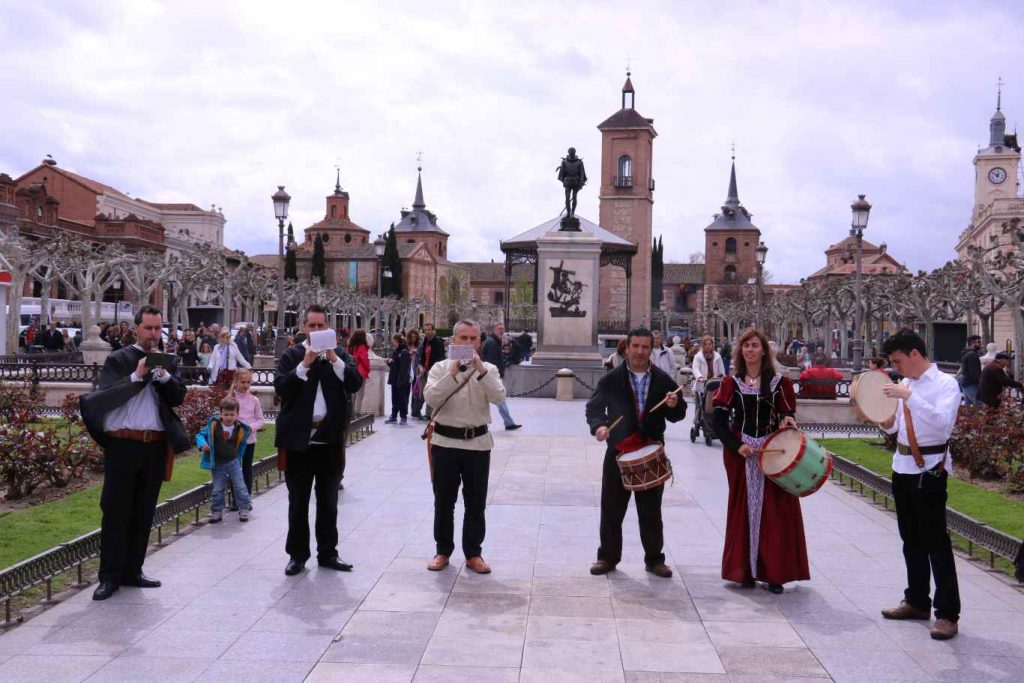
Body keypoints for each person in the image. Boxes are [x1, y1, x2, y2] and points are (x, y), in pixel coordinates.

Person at [78, 305, 190, 600]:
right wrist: (138, 376)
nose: (153, 335)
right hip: (124, 444)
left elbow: (178, 397)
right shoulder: (119, 359)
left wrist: (163, 376)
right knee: (116, 511)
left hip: (153, 444)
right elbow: (105, 396)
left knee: (143, 510)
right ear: (137, 329)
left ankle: (133, 570)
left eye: (157, 329)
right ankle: (109, 576)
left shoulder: (167, 361)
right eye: (148, 329)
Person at [877, 329, 962, 640]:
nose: (896, 368)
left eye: (898, 361)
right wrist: (886, 420)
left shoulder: (945, 384)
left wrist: (910, 397)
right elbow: (900, 426)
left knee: (936, 542)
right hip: (902, 467)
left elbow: (943, 423)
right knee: (910, 538)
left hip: (930, 469)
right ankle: (916, 600)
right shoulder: (906, 384)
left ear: (915, 353)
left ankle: (947, 613)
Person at [712, 327, 807, 594]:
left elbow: (787, 414)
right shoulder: (730, 383)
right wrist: (737, 445)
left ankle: (774, 573)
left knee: (775, 512)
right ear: (740, 351)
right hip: (740, 454)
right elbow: (718, 422)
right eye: (746, 345)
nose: (750, 350)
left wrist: (789, 419)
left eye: (755, 345)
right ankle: (743, 571)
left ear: (764, 350)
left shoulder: (779, 383)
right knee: (743, 509)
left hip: (772, 453)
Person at [585, 327, 685, 578]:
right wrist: (599, 426)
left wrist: (674, 405)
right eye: (635, 346)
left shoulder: (663, 380)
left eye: (644, 347)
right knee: (611, 508)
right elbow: (594, 408)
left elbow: (677, 414)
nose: (640, 351)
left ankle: (654, 560)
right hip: (618, 452)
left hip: (650, 453)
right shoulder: (611, 379)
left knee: (651, 511)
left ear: (650, 349)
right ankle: (607, 557)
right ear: (627, 348)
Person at [275, 304, 363, 576]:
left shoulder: (340, 357)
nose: (316, 330)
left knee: (328, 502)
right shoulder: (292, 355)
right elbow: (281, 388)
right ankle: (297, 555)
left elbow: (355, 383)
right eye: (311, 326)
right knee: (298, 503)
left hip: (330, 441)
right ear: (304, 327)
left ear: (328, 327)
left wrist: (334, 358)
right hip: (299, 441)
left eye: (321, 326)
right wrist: (304, 365)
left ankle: (328, 553)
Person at [423, 319, 507, 574]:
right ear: (454, 341)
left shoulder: (488, 369)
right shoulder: (440, 368)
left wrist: (480, 370)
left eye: (473, 339)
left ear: (479, 341)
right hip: (445, 443)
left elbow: (499, 397)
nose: (469, 343)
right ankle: (442, 551)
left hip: (478, 445)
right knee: (444, 501)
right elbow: (431, 397)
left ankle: (473, 553)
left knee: (475, 502)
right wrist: (453, 373)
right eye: (464, 339)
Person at [196, 396, 254, 523]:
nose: (228, 417)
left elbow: (243, 444)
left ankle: (244, 507)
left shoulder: (240, 428)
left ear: (237, 414)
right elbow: (200, 435)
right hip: (218, 463)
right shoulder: (214, 425)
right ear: (221, 413)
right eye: (226, 414)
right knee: (217, 488)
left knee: (240, 486)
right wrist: (202, 444)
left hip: (233, 462)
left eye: (232, 414)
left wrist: (238, 456)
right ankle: (217, 511)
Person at [229, 369, 265, 505]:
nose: (245, 385)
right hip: (232, 441)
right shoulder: (230, 400)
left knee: (247, 469)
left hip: (249, 441)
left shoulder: (254, 400)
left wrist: (251, 428)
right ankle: (235, 499)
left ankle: (246, 499)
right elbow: (223, 418)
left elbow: (260, 420)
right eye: (242, 382)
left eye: (248, 382)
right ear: (236, 382)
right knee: (234, 470)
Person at [481, 322, 522, 431]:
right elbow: (492, 362)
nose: (502, 331)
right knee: (499, 399)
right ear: (494, 329)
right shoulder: (492, 343)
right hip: (492, 376)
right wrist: (497, 374)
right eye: (499, 329)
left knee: (498, 400)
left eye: (503, 329)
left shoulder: (493, 341)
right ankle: (508, 423)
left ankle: (508, 422)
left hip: (490, 375)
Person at [417, 322, 446, 420]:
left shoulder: (438, 342)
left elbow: (441, 358)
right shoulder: (425, 341)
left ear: (433, 330)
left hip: (433, 371)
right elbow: (422, 356)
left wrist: (433, 369)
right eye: (426, 330)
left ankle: (430, 414)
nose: (427, 332)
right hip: (425, 371)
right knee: (425, 391)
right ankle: (427, 413)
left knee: (432, 391)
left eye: (429, 330)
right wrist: (421, 365)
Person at [385, 333, 412, 425]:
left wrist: (401, 381)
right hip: (395, 379)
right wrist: (389, 362)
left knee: (402, 399)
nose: (392, 342)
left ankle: (403, 417)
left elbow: (403, 368)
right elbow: (394, 363)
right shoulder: (396, 351)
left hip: (402, 381)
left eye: (393, 340)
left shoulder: (404, 352)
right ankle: (393, 416)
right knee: (395, 399)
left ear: (397, 341)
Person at [347, 329, 371, 415]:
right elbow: (365, 360)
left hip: (350, 371)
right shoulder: (362, 347)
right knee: (360, 394)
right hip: (360, 372)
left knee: (352, 394)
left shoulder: (350, 347)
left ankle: (350, 412)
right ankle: (356, 413)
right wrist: (368, 369)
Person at [958, 335, 983, 406]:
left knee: (969, 410)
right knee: (980, 407)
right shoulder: (972, 354)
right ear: (972, 343)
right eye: (979, 342)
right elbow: (974, 372)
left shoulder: (967, 353)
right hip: (971, 385)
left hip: (966, 384)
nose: (980, 344)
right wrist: (980, 384)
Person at [408, 329, 425, 420]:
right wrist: (409, 353)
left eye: (415, 336)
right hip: (408, 370)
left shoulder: (420, 345)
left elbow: (421, 356)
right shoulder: (407, 345)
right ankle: (413, 410)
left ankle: (416, 410)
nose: (413, 338)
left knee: (417, 390)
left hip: (417, 370)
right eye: (412, 336)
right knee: (412, 391)